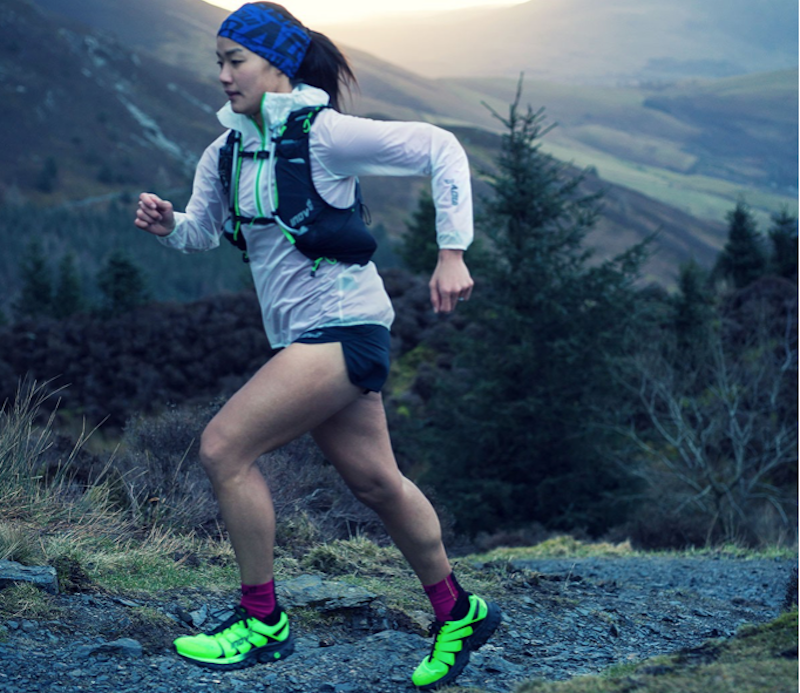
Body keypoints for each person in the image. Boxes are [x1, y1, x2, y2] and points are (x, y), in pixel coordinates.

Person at [133, 3, 500, 689]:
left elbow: (441, 147)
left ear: (277, 63)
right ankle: (460, 610)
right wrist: (169, 225)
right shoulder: (228, 150)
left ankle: (262, 622)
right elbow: (205, 230)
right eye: (218, 60)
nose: (222, 75)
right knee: (376, 482)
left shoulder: (324, 133)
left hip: (347, 328)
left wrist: (453, 251)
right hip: (307, 337)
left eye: (234, 59)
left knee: (223, 446)